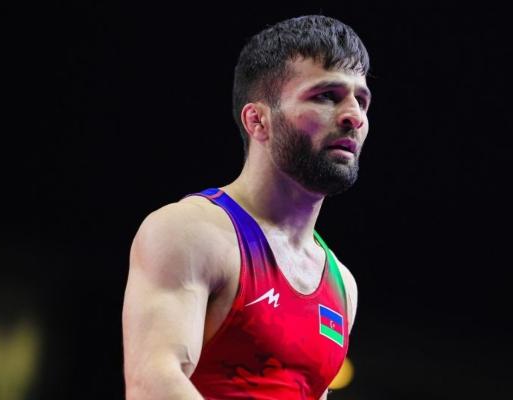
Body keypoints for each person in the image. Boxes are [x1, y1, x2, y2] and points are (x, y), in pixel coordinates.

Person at [122, 15, 371, 399]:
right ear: (258, 120)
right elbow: (151, 383)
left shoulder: (342, 286)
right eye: (326, 96)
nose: (354, 115)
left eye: (362, 100)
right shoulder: (191, 232)